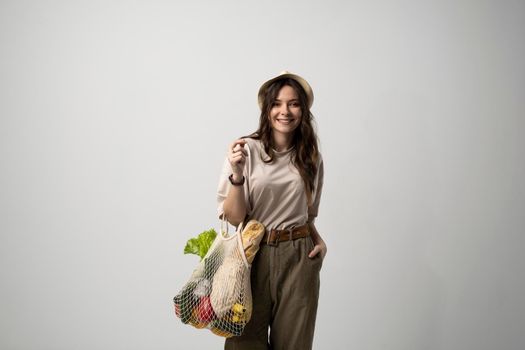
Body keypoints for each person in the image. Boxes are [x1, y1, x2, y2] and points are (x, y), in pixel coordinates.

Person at [216, 71, 326, 350]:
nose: (284, 111)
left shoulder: (311, 156)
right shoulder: (245, 150)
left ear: (304, 110)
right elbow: (234, 216)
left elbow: (308, 213)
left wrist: (318, 239)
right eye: (276, 103)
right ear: (267, 109)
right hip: (252, 254)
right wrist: (237, 176)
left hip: (299, 257)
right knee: (243, 343)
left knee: (294, 345)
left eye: (293, 104)